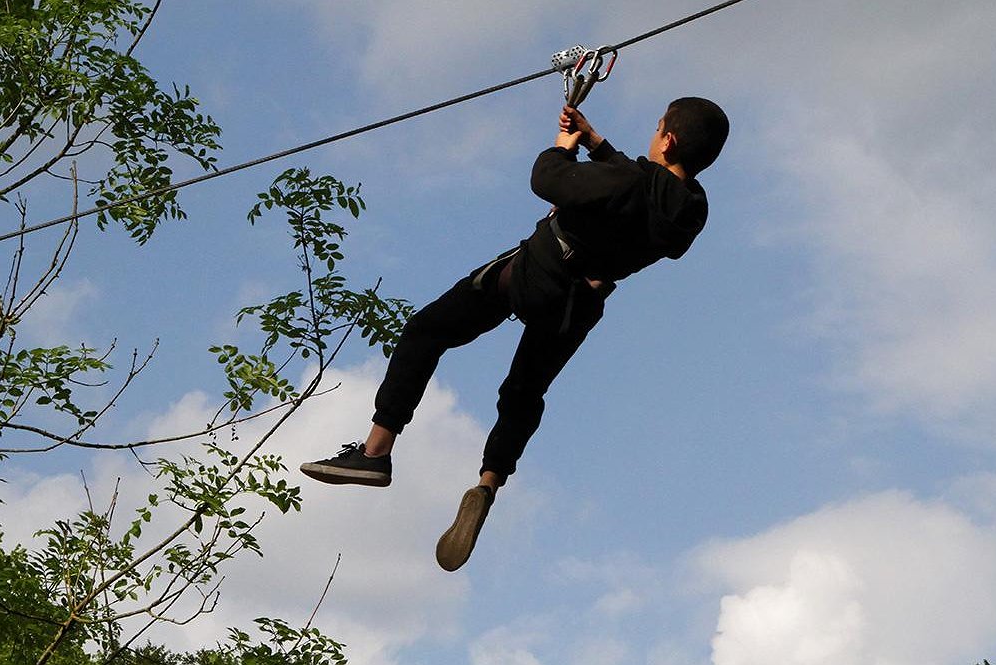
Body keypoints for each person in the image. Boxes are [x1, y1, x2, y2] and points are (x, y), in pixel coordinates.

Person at [300, 98, 729, 571]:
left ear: (667, 140)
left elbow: (546, 179)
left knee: (427, 331)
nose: (652, 135)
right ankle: (488, 482)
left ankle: (375, 452)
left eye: (658, 127)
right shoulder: (691, 209)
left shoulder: (626, 183)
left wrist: (564, 147)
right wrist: (596, 140)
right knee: (524, 392)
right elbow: (643, 183)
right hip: (577, 307)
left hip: (535, 275)